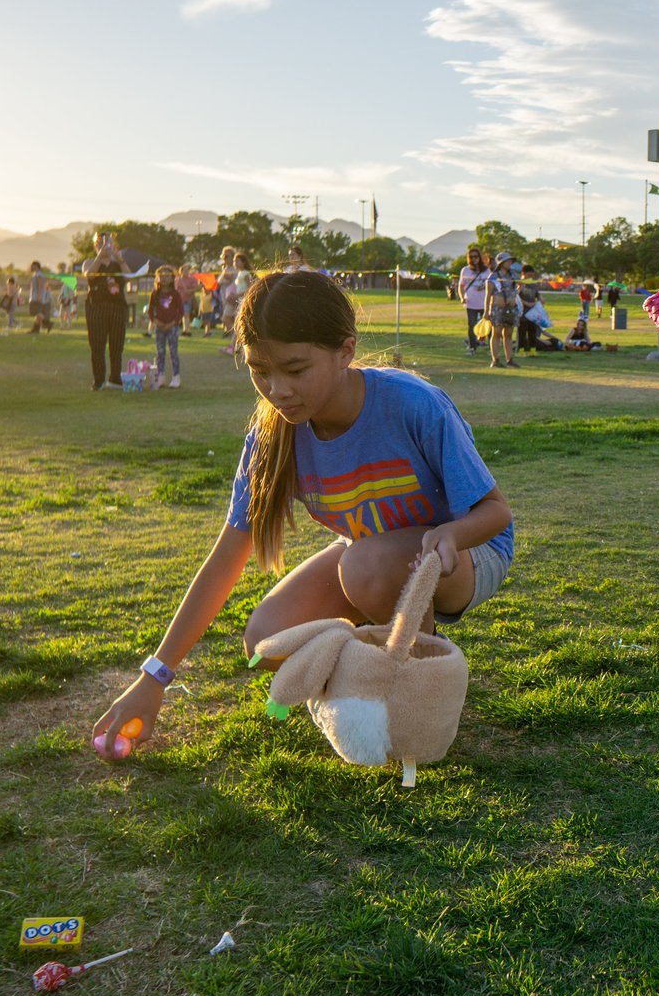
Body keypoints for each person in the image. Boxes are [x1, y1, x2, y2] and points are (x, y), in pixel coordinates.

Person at [92, 271, 514, 757]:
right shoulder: (273, 437)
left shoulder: (412, 404)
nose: (277, 389)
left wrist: (451, 536)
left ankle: (418, 688)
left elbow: (495, 512)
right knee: (267, 641)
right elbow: (226, 557)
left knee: (366, 566)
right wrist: (155, 676)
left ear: (345, 351)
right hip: (371, 553)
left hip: (467, 552)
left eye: (295, 369)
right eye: (260, 371)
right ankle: (367, 661)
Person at [82, 232, 129, 390]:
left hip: (117, 307)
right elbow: (90, 276)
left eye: (109, 243)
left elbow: (128, 276)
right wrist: (99, 257)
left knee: (117, 344)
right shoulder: (89, 262)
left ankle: (115, 378)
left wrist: (120, 258)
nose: (106, 246)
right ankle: (99, 380)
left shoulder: (118, 263)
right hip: (96, 307)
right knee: (97, 345)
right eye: (102, 243)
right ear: (96, 245)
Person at [148, 266, 185, 389]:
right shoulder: (154, 294)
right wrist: (157, 322)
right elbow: (150, 311)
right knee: (160, 352)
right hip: (159, 328)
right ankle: (161, 376)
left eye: (167, 276)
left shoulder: (175, 294)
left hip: (172, 327)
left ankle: (176, 377)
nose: (164, 279)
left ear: (172, 278)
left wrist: (172, 323)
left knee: (173, 351)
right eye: (161, 276)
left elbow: (180, 311)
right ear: (157, 278)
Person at [484, 251, 520, 368]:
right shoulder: (493, 276)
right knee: (497, 333)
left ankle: (509, 359)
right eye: (507, 261)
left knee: (509, 334)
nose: (510, 263)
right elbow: (488, 295)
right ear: (501, 263)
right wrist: (486, 311)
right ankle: (495, 360)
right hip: (497, 308)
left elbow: (521, 284)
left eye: (510, 261)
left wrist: (514, 295)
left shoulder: (513, 275)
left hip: (511, 308)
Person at [457, 246, 489, 355]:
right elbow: (461, 286)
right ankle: (472, 347)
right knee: (472, 326)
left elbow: (492, 284)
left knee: (488, 325)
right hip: (471, 302)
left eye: (476, 256)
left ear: (479, 257)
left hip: (484, 302)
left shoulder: (486, 270)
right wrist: (462, 297)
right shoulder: (465, 270)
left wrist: (484, 287)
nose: (474, 259)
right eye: (471, 257)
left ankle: (490, 347)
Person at [517, 264, 543, 355]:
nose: (531, 277)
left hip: (532, 313)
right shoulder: (519, 283)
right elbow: (516, 297)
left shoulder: (533, 284)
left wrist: (540, 298)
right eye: (529, 275)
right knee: (522, 333)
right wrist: (526, 303)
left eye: (532, 275)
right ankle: (521, 351)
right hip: (522, 313)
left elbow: (537, 294)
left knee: (532, 332)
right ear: (523, 273)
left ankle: (532, 350)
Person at [26, 261, 53, 334]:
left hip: (37, 297)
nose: (31, 267)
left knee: (36, 312)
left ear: (36, 266)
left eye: (32, 266)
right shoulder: (35, 274)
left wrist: (39, 296)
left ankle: (48, 323)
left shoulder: (39, 275)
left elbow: (41, 286)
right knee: (37, 313)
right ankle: (35, 329)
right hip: (34, 296)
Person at [175, 264, 201, 336]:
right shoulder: (177, 279)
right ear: (181, 271)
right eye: (185, 270)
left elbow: (197, 288)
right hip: (179, 300)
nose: (186, 272)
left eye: (188, 270)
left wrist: (191, 290)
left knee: (186, 314)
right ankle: (184, 330)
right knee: (181, 315)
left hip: (188, 299)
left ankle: (187, 331)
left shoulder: (192, 279)